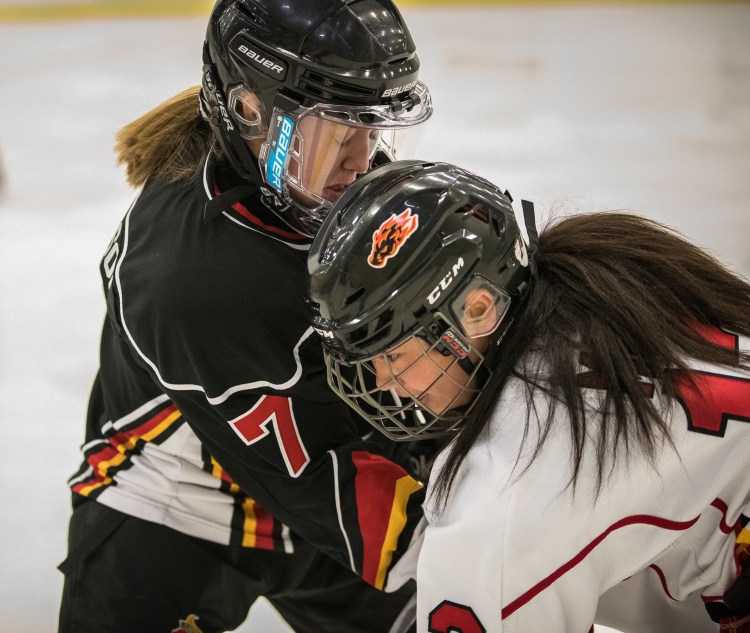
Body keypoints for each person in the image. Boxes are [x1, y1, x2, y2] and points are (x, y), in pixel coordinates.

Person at [57, 1, 435, 632]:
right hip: (177, 513)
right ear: (250, 109)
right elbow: (318, 477)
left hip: (310, 495)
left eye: (370, 129)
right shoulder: (191, 279)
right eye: (337, 132)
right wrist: (488, 543)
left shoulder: (294, 173)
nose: (361, 162)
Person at [306, 159, 750, 632]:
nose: (381, 381)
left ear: (478, 310)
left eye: (394, 354)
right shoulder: (607, 270)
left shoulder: (503, 496)